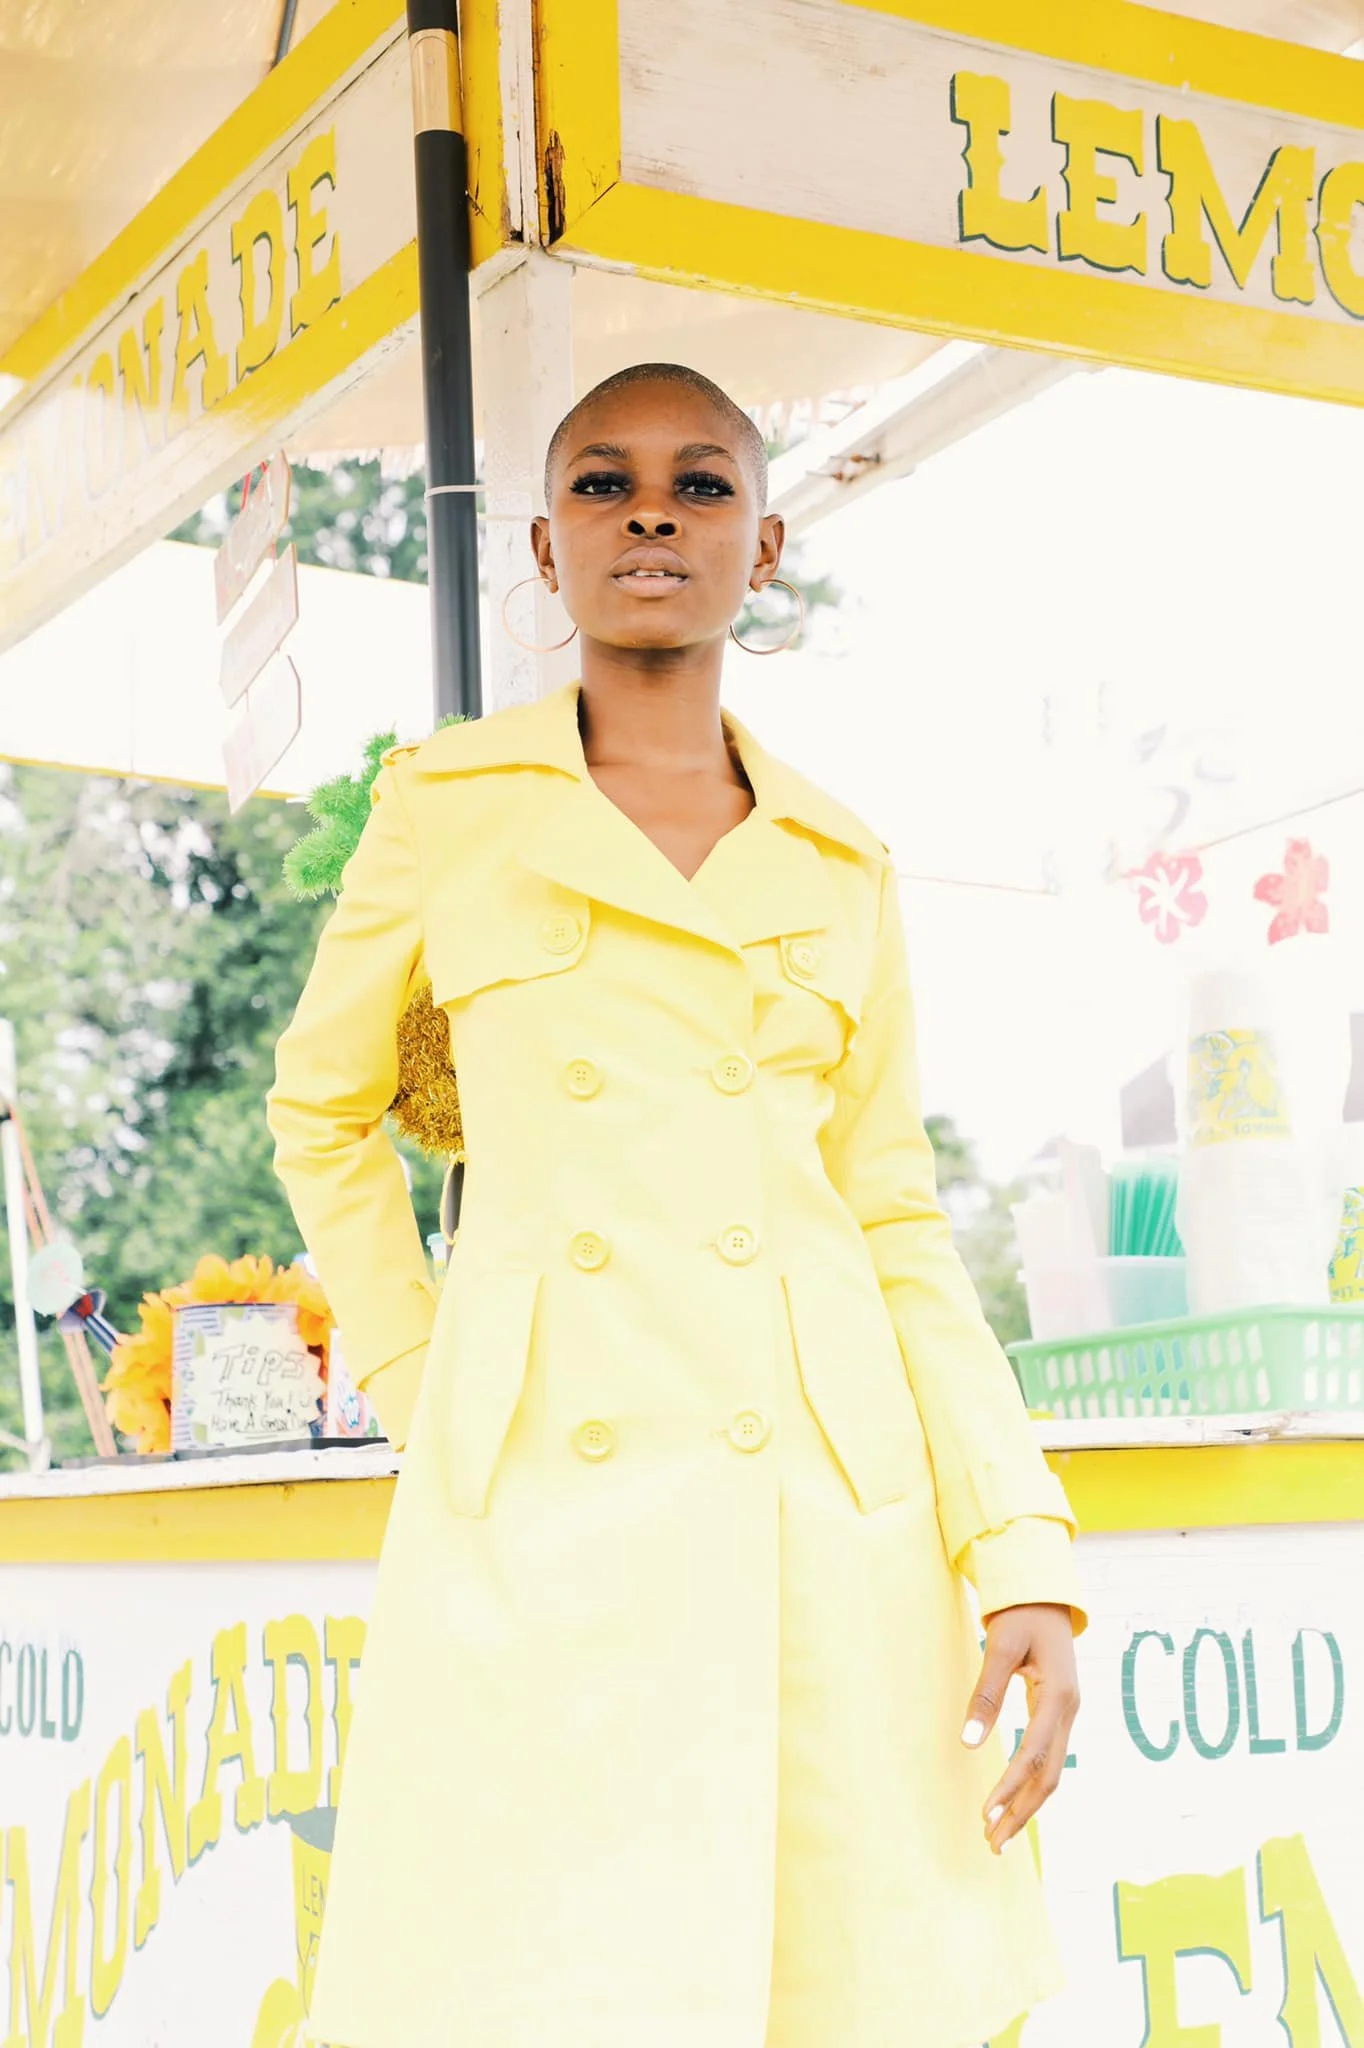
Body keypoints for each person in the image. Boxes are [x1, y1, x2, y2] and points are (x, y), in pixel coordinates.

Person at [266, 362, 1085, 2048]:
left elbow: (895, 1220)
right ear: (545, 547)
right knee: (535, 1988)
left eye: (702, 484)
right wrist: (432, 1382)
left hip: (824, 1519)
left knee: (829, 1992)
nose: (653, 513)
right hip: (537, 1500)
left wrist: (1018, 1552)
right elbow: (320, 1114)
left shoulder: (844, 863)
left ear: (765, 545)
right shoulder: (446, 809)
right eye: (605, 482)